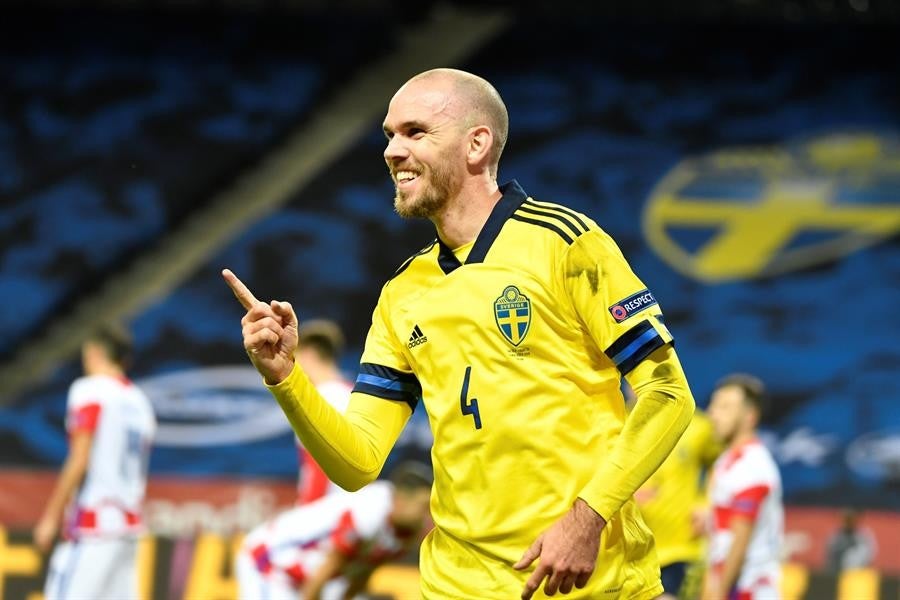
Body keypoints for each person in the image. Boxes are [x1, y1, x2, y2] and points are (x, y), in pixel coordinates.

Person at [223, 67, 696, 599]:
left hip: (591, 584)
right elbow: (357, 464)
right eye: (389, 135)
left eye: (415, 132)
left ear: (477, 144)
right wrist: (285, 377)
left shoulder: (567, 244)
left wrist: (587, 519)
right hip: (456, 586)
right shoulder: (402, 293)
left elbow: (668, 395)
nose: (392, 151)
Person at [34, 323, 156, 600]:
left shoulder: (90, 390)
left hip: (96, 526)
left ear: (95, 351)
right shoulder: (140, 402)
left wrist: (51, 517)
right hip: (129, 526)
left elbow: (80, 458)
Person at [235, 461, 433, 600]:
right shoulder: (371, 510)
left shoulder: (408, 531)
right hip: (269, 562)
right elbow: (322, 574)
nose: (427, 516)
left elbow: (361, 576)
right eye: (423, 507)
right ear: (401, 500)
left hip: (310, 574)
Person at [632, 394, 721, 599]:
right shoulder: (618, 420)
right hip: (632, 551)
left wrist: (707, 503)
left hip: (679, 548)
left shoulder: (696, 424)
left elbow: (721, 463)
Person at [703, 374, 783, 600]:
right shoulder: (727, 461)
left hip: (748, 590)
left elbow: (740, 540)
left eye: (725, 407)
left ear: (750, 417)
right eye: (714, 404)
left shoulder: (752, 465)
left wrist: (717, 593)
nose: (713, 413)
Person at [294, 319, 354, 504]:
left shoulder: (320, 399)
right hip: (350, 510)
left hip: (328, 513)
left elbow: (319, 465)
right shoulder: (354, 395)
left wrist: (305, 513)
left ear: (307, 354)